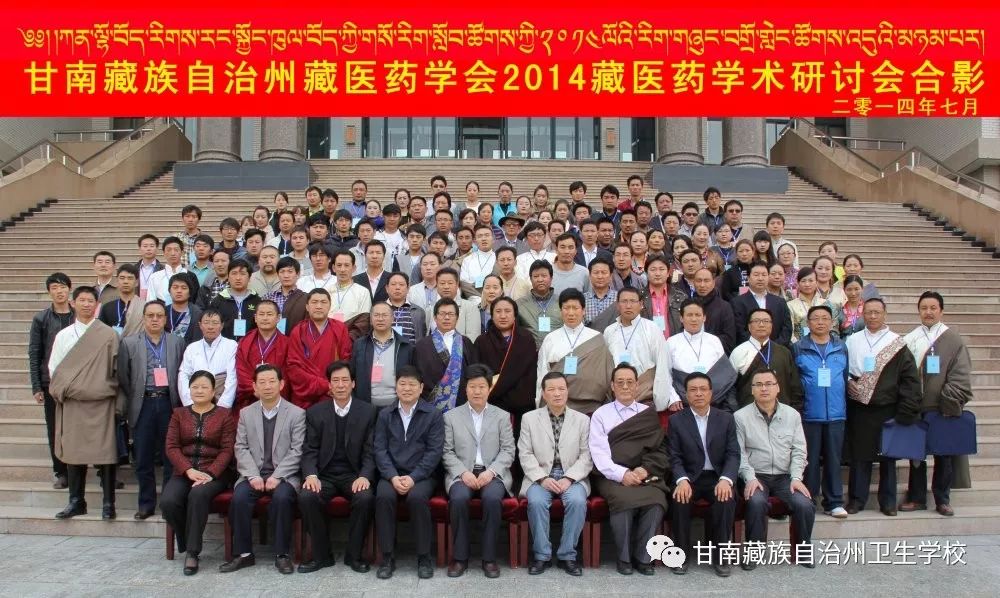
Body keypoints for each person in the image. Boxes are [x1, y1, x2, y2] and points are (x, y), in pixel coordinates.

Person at [220, 364, 306, 575]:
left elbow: (297, 450)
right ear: (254, 387)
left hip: (284, 476)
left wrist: (278, 476)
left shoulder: (296, 414)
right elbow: (240, 447)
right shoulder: (246, 413)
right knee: (239, 498)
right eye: (262, 382)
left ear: (281, 384)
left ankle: (282, 554)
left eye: (272, 381)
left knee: (283, 498)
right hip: (253, 474)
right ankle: (244, 554)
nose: (267, 386)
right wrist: (252, 475)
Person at [297, 361, 378, 574]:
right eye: (335, 381)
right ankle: (322, 556)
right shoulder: (315, 412)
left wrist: (365, 476)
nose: (340, 385)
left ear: (353, 383)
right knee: (307, 496)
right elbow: (309, 449)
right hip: (324, 475)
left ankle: (354, 556)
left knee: (365, 498)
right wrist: (311, 475)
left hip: (354, 474)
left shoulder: (368, 412)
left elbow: (371, 451)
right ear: (329, 385)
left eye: (345, 380)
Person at [589, 364, 669, 576]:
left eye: (629, 382)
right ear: (612, 386)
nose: (625, 386)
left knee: (656, 500)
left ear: (637, 385)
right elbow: (598, 453)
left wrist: (644, 470)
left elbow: (659, 448)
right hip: (611, 476)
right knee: (623, 500)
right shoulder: (601, 414)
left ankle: (643, 558)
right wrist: (622, 474)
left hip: (644, 474)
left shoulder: (647, 414)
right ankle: (623, 558)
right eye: (620, 382)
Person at [844, 298, 921, 516]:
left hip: (888, 407)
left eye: (877, 312)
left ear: (885, 314)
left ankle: (888, 502)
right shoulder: (852, 340)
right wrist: (848, 382)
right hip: (860, 407)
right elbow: (843, 368)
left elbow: (909, 379)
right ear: (863, 314)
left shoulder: (897, 343)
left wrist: (906, 409)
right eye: (868, 312)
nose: (872, 316)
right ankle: (856, 500)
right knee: (860, 457)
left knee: (888, 458)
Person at [49, 286, 121, 520]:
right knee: (74, 451)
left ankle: (108, 503)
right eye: (82, 300)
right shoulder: (64, 335)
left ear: (97, 305)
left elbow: (116, 368)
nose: (87, 304)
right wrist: (71, 389)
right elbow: (55, 369)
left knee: (106, 453)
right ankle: (76, 501)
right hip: (73, 401)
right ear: (73, 303)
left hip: (102, 401)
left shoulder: (108, 334)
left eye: (91, 301)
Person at [901, 292, 974, 516]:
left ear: (941, 311)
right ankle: (916, 498)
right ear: (918, 311)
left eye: (933, 308)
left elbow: (961, 374)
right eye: (924, 308)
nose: (928, 312)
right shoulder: (910, 339)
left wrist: (947, 398)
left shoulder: (953, 339)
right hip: (916, 406)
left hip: (942, 406)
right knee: (916, 454)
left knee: (944, 454)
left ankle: (942, 499)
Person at [735, 369, 815, 569]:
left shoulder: (792, 415)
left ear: (778, 387)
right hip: (756, 475)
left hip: (785, 477)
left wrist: (796, 478)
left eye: (769, 384)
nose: (764, 388)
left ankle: (804, 551)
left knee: (804, 504)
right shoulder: (740, 417)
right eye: (759, 384)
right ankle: (754, 553)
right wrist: (749, 478)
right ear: (752, 390)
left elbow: (799, 450)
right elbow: (739, 454)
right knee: (756, 502)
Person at [442, 365, 516, 578]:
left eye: (481, 386)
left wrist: (491, 472)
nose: (477, 391)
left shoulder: (502, 416)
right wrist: (463, 473)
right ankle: (460, 558)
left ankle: (489, 558)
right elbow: (446, 451)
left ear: (489, 388)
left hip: (492, 473)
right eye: (472, 386)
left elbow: (508, 450)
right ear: (465, 388)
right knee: (458, 498)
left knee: (492, 499)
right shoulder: (451, 416)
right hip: (461, 473)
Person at [161, 371, 236, 576]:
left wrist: (211, 473)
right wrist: (187, 469)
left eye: (204, 387)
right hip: (185, 471)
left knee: (198, 494)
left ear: (213, 391)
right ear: (189, 390)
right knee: (168, 501)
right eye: (195, 387)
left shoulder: (224, 415)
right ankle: (187, 541)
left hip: (215, 473)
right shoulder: (179, 414)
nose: (199, 390)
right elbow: (172, 447)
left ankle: (192, 552)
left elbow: (227, 449)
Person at [373, 366, 445, 580]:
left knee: (417, 498)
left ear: (421, 387)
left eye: (412, 384)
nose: (407, 388)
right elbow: (379, 450)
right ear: (395, 387)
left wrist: (413, 478)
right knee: (383, 496)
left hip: (422, 475)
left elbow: (434, 452)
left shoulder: (433, 415)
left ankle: (424, 557)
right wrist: (392, 476)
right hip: (391, 474)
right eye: (402, 384)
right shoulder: (385, 414)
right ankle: (387, 557)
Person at [117, 300, 186, 519]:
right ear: (143, 318)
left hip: (169, 403)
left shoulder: (177, 342)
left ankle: (168, 502)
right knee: (143, 457)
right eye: (150, 316)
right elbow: (124, 377)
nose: (155, 319)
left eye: (159, 316)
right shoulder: (129, 343)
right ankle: (146, 504)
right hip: (143, 403)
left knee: (170, 455)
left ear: (165, 319)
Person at [518, 372, 592, 576]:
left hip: (572, 476)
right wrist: (542, 478)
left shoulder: (582, 420)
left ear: (568, 391)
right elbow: (525, 453)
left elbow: (586, 455)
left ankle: (567, 555)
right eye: (551, 389)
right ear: (543, 393)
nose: (557, 393)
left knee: (577, 501)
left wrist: (569, 478)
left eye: (561, 389)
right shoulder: (529, 419)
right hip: (540, 475)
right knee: (536, 502)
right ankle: (542, 555)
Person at [668, 372, 739, 577]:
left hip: (717, 477)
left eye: (703, 389)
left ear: (711, 393)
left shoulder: (726, 419)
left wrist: (726, 479)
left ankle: (721, 557)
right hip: (689, 477)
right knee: (679, 499)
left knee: (726, 499)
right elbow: (674, 456)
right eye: (693, 390)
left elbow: (733, 454)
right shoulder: (676, 421)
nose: (698, 393)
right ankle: (680, 556)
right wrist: (681, 480)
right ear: (686, 394)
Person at [793, 305, 849, 518]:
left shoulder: (841, 347)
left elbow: (844, 378)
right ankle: (808, 501)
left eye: (825, 318)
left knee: (834, 459)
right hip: (809, 413)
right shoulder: (799, 348)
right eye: (815, 318)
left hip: (836, 413)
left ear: (832, 322)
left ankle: (834, 502)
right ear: (808, 323)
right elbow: (795, 381)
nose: (820, 322)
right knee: (810, 460)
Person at [536, 289, 613, 415]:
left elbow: (606, 374)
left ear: (583, 310)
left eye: (575, 308)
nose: (571, 313)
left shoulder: (597, 338)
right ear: (561, 311)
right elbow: (542, 373)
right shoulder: (551, 339)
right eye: (566, 308)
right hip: (557, 406)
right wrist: (539, 404)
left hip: (592, 408)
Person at [603, 287, 681, 411]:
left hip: (645, 394)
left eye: (633, 301)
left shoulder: (651, 328)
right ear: (617, 305)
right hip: (618, 394)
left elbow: (663, 365)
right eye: (624, 301)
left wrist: (670, 396)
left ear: (641, 304)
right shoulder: (609, 331)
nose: (628, 306)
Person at [29, 272, 74, 489]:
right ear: (49, 292)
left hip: (78, 381)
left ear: (69, 290)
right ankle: (61, 471)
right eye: (55, 288)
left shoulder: (79, 316)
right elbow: (35, 352)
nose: (59, 291)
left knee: (77, 427)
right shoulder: (41, 319)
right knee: (55, 428)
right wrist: (36, 385)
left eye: (63, 287)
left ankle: (77, 468)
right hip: (51, 382)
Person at [475, 297, 538, 426]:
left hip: (521, 403)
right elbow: (478, 373)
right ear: (492, 315)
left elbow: (531, 374)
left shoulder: (526, 338)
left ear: (515, 315)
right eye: (498, 311)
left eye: (507, 311)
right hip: (492, 403)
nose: (503, 316)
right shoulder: (482, 341)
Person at [286, 289, 353, 409]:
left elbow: (345, 360)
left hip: (332, 394)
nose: (319, 306)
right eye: (314, 302)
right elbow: (293, 367)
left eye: (323, 302)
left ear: (330, 306)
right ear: (307, 307)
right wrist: (325, 385)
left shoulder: (339, 328)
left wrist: (334, 385)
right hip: (306, 396)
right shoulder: (298, 331)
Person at [666, 299, 737, 411]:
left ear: (704, 318)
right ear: (681, 318)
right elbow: (666, 374)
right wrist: (673, 397)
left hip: (715, 400)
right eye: (689, 315)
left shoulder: (714, 340)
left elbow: (724, 373)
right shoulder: (671, 342)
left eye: (698, 315)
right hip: (683, 401)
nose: (694, 319)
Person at [730, 308, 804, 410]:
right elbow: (730, 388)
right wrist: (736, 411)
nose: (761, 325)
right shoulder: (738, 352)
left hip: (782, 412)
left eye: (766, 321)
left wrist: (794, 410)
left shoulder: (784, 352)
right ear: (749, 326)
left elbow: (794, 386)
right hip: (748, 413)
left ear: (771, 325)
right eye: (756, 321)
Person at [414, 298, 479, 411]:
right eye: (442, 314)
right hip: (431, 403)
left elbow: (473, 372)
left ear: (457, 318)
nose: (447, 317)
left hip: (461, 403)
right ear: (435, 317)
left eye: (451, 314)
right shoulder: (422, 345)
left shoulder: (466, 342)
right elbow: (417, 375)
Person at [351, 302, 415, 408]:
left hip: (397, 406)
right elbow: (352, 375)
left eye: (385, 315)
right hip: (365, 406)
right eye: (376, 315)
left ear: (392, 318)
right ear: (371, 320)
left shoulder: (405, 346)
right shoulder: (360, 345)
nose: (380, 319)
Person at [235, 300, 289, 415]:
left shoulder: (287, 343)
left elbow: (288, 372)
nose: (265, 318)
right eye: (261, 314)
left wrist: (272, 390)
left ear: (278, 318)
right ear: (255, 318)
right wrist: (256, 390)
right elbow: (241, 370)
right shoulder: (245, 342)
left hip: (278, 397)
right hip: (251, 397)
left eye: (269, 314)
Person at [178, 310, 238, 409]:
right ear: (200, 325)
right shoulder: (192, 348)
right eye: (206, 323)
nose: (210, 327)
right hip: (196, 398)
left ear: (222, 325)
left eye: (215, 323)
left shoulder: (231, 345)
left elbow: (232, 377)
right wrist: (189, 403)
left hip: (221, 396)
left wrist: (223, 406)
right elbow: (183, 375)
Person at [731, 262, 794, 347]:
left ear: (768, 277)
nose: (760, 278)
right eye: (756, 275)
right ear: (748, 278)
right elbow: (739, 330)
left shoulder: (780, 302)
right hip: (749, 350)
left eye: (764, 275)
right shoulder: (737, 302)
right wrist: (759, 347)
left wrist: (773, 347)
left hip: (777, 350)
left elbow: (787, 329)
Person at [788, 267, 843, 344]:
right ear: (798, 283)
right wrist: (799, 346)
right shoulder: (790, 305)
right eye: (803, 281)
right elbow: (790, 333)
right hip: (801, 347)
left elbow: (833, 330)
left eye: (811, 281)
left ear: (816, 282)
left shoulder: (827, 304)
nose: (807, 284)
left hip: (826, 346)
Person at [210, 259, 260, 341]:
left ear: (249, 277)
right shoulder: (218, 301)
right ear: (228, 277)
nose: (238, 278)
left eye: (242, 274)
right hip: (224, 345)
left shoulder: (257, 301)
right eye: (234, 273)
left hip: (251, 345)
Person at [517, 260, 564, 347]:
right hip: (530, 351)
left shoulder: (563, 302)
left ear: (551, 278)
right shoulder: (519, 304)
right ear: (530, 279)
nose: (540, 279)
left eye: (544, 276)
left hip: (557, 351)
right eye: (536, 276)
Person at [692, 267, 737, 353]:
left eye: (706, 281)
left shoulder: (725, 307)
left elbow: (729, 339)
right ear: (693, 283)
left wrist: (703, 343)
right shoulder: (688, 306)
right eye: (699, 281)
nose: (702, 285)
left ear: (713, 283)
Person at [429, 268, 482, 341]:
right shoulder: (430, 309)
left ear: (457, 285)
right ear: (437, 285)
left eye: (450, 283)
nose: (446, 287)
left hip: (461, 347)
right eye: (442, 283)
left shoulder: (470, 307)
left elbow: (473, 337)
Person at [99, 264, 145, 337]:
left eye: (130, 278)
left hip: (137, 344)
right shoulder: (107, 307)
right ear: (117, 281)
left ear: (136, 282)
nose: (125, 281)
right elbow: (101, 334)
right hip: (113, 344)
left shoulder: (145, 307)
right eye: (122, 278)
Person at [267, 256, 308, 333]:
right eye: (282, 272)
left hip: (296, 338)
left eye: (290, 271)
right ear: (277, 274)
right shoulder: (268, 297)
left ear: (298, 274)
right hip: (272, 337)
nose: (286, 276)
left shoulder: (306, 298)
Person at [384, 271, 426, 344]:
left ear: (408, 288)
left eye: (401, 284)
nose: (397, 287)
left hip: (411, 351)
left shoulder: (418, 311)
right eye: (393, 284)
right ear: (387, 288)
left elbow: (422, 336)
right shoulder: (378, 310)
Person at [163, 273, 203, 345]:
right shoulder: (162, 312)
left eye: (184, 288)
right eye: (175, 287)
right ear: (169, 291)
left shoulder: (197, 314)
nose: (179, 291)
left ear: (190, 292)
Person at [550, 233, 591, 298]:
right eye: (562, 247)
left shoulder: (584, 272)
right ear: (556, 249)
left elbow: (589, 298)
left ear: (576, 251)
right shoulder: (548, 271)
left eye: (571, 247)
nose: (567, 251)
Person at [583, 257, 618, 330]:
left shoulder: (619, 298)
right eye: (596, 272)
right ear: (589, 275)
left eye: (604, 272)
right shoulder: (582, 299)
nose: (600, 276)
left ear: (611, 276)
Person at [136, 234, 164, 300]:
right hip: (137, 303)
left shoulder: (163, 269)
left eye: (152, 246)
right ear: (139, 249)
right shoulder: (133, 269)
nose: (148, 249)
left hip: (157, 303)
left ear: (157, 249)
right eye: (145, 246)